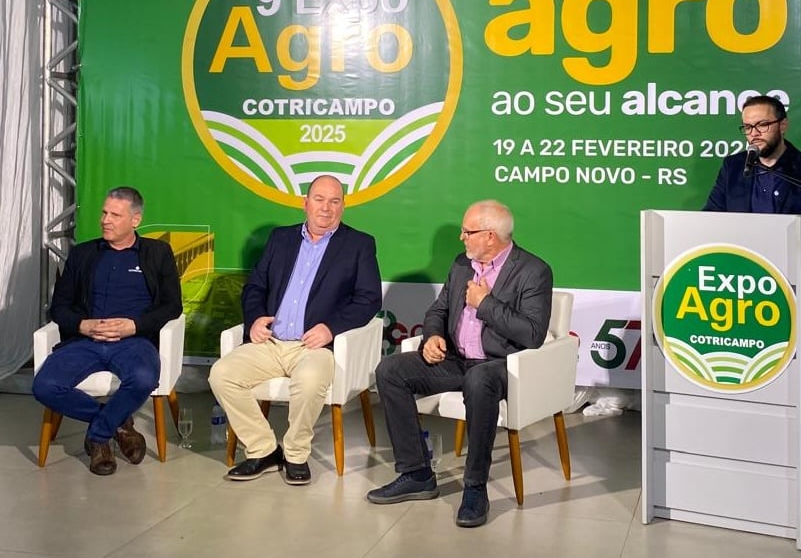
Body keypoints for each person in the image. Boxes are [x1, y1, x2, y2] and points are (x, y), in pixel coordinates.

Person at [367, 200, 553, 528]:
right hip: (455, 358)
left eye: (468, 232)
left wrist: (485, 304)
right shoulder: (462, 264)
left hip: (500, 365)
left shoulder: (533, 271)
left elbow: (533, 334)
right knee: (390, 370)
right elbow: (438, 310)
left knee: (479, 381)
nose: (461, 238)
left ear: (491, 236)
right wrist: (432, 337)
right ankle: (416, 472)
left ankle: (475, 487)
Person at [209, 174, 382, 486]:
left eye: (334, 201)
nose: (326, 208)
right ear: (306, 203)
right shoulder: (281, 238)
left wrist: (331, 328)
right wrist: (256, 318)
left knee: (310, 379)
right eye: (319, 199)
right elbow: (255, 287)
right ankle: (263, 450)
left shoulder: (359, 244)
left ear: (343, 206)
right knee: (221, 374)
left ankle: (295, 454)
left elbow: (369, 299)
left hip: (314, 348)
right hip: (271, 342)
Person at [32, 186, 183, 476]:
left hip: (134, 342)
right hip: (85, 341)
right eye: (104, 213)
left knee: (142, 379)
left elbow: (171, 306)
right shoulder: (83, 254)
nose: (105, 220)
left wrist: (134, 326)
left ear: (135, 220)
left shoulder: (157, 252)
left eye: (115, 214)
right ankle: (118, 426)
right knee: (44, 386)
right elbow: (59, 308)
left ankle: (99, 437)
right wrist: (82, 325)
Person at [704, 95, 801, 240]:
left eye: (762, 125)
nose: (754, 133)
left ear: (782, 125)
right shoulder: (733, 166)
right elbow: (711, 216)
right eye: (748, 127)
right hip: (739, 257)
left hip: (787, 258)